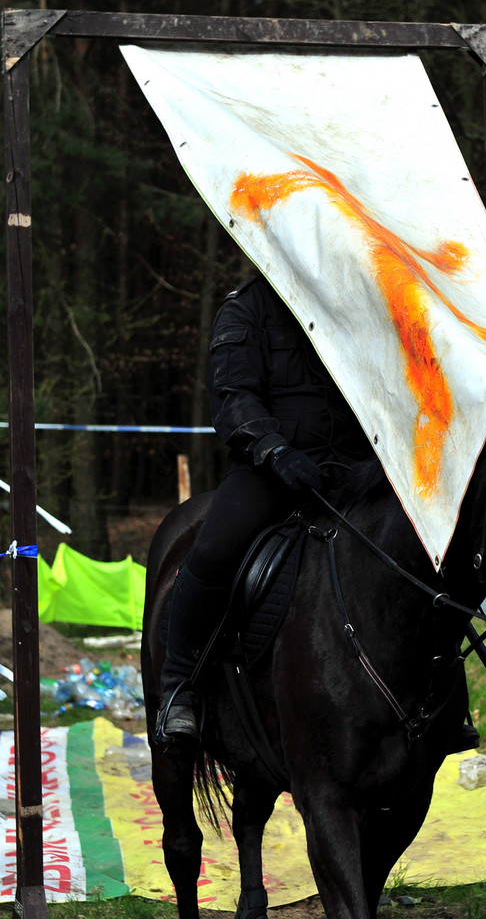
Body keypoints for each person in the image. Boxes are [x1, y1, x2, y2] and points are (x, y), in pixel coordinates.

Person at [156, 274, 373, 744]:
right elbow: (233, 396)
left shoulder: (359, 302)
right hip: (272, 468)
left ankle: (442, 692)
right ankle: (179, 686)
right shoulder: (246, 307)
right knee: (214, 548)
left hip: (357, 468)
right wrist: (275, 451)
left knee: (420, 550)